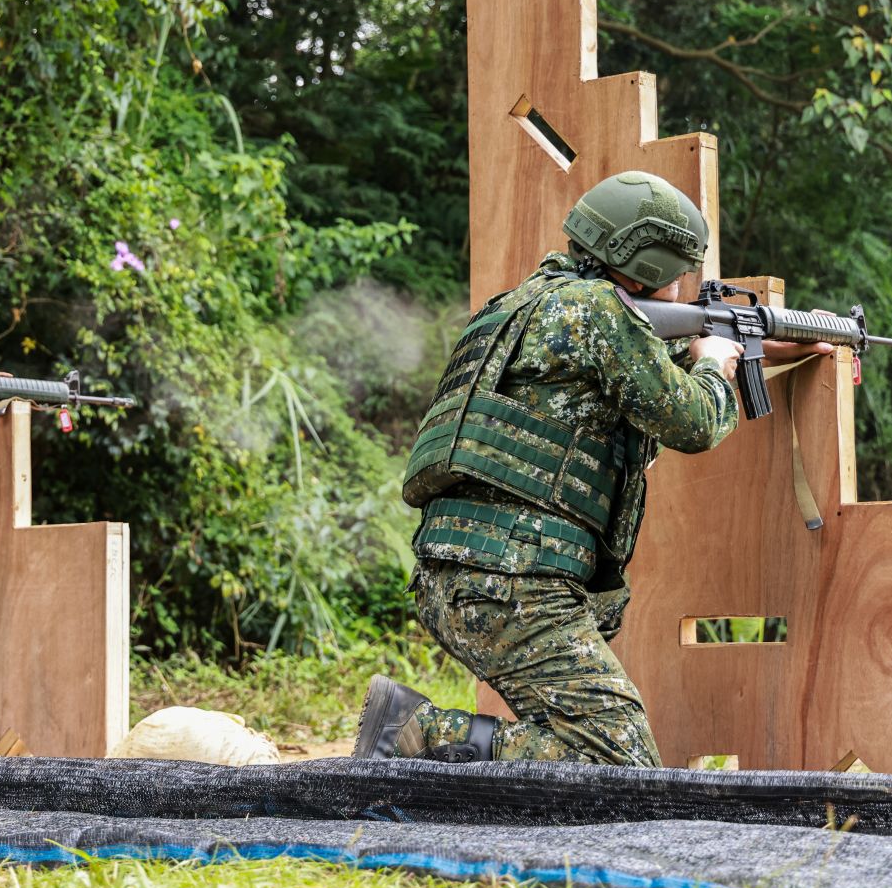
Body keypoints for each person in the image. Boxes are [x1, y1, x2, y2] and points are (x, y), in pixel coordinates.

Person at [353, 171, 831, 766]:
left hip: (461, 574)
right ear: (647, 267)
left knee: (584, 738)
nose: (685, 288)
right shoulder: (602, 313)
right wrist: (714, 366)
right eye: (682, 273)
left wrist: (768, 342)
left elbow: (634, 368)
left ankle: (426, 739)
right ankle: (415, 731)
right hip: (512, 581)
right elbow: (695, 421)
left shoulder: (522, 305)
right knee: (617, 764)